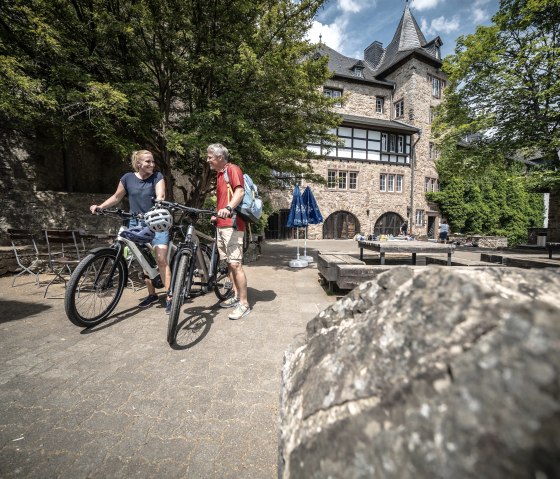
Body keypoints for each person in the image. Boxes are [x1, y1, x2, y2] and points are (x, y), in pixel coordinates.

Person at [89, 150, 172, 312]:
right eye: (148, 162)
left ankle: (170, 295)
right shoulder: (127, 178)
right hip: (135, 222)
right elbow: (116, 197)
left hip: (156, 221)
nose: (152, 165)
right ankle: (152, 294)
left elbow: (160, 196)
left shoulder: (157, 177)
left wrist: (157, 206)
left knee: (161, 259)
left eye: (153, 162)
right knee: (142, 259)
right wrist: (101, 207)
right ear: (138, 163)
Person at [207, 143, 251, 320]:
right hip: (221, 224)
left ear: (219, 157)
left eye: (210, 156)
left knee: (235, 264)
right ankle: (235, 295)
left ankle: (244, 304)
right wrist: (217, 215)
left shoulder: (232, 169)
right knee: (228, 265)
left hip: (233, 225)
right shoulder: (219, 175)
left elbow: (239, 192)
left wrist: (228, 208)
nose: (208, 159)